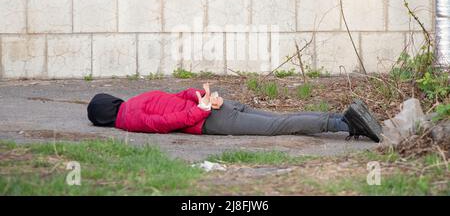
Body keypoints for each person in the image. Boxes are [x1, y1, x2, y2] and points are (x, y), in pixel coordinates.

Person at [87, 83, 382, 142]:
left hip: (212, 117)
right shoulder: (138, 98)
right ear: (111, 101)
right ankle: (340, 120)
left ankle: (344, 122)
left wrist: (201, 108)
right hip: (219, 106)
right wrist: (203, 96)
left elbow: (166, 123)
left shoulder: (130, 121)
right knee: (279, 119)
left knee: (279, 125)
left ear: (103, 119)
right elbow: (179, 95)